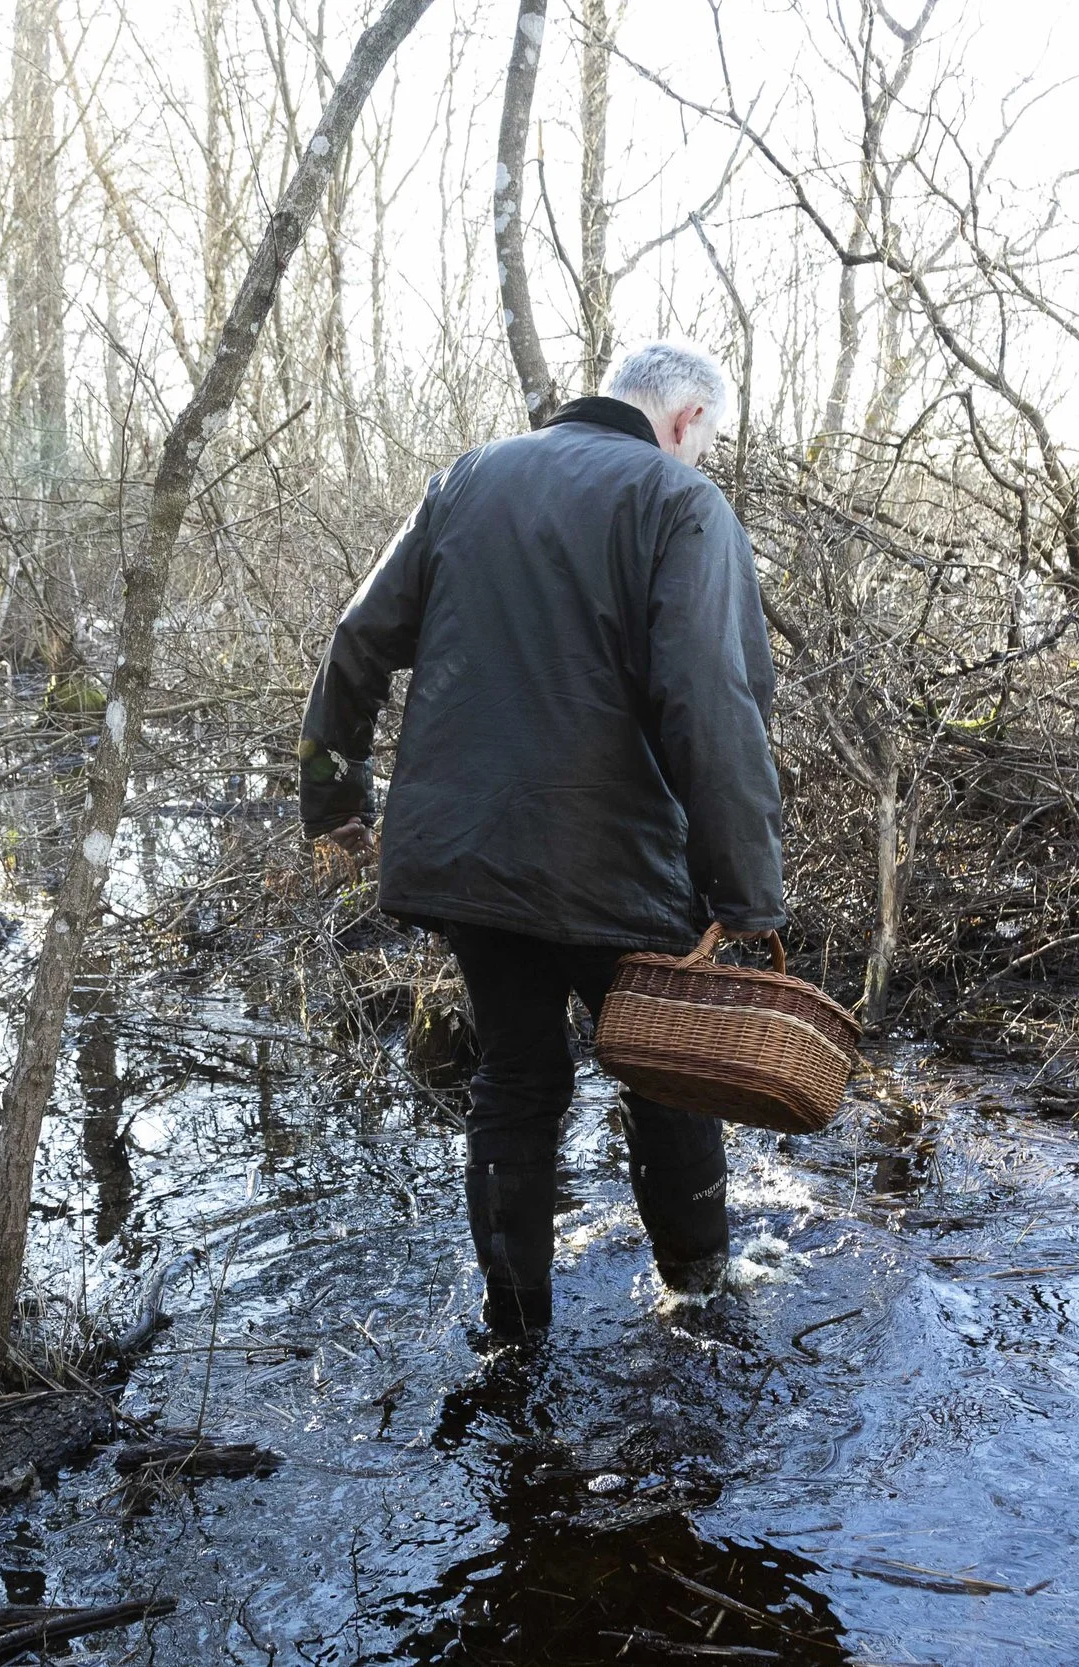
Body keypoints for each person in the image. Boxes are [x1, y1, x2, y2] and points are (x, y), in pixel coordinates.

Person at [297, 340, 785, 1337]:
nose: (700, 458)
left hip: (464, 858)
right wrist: (745, 891)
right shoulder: (681, 502)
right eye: (707, 441)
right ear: (687, 420)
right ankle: (697, 1293)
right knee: (665, 1072)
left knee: (516, 1076)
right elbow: (711, 703)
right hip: (615, 864)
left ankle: (511, 1329)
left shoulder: (469, 478)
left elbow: (358, 638)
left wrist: (331, 798)